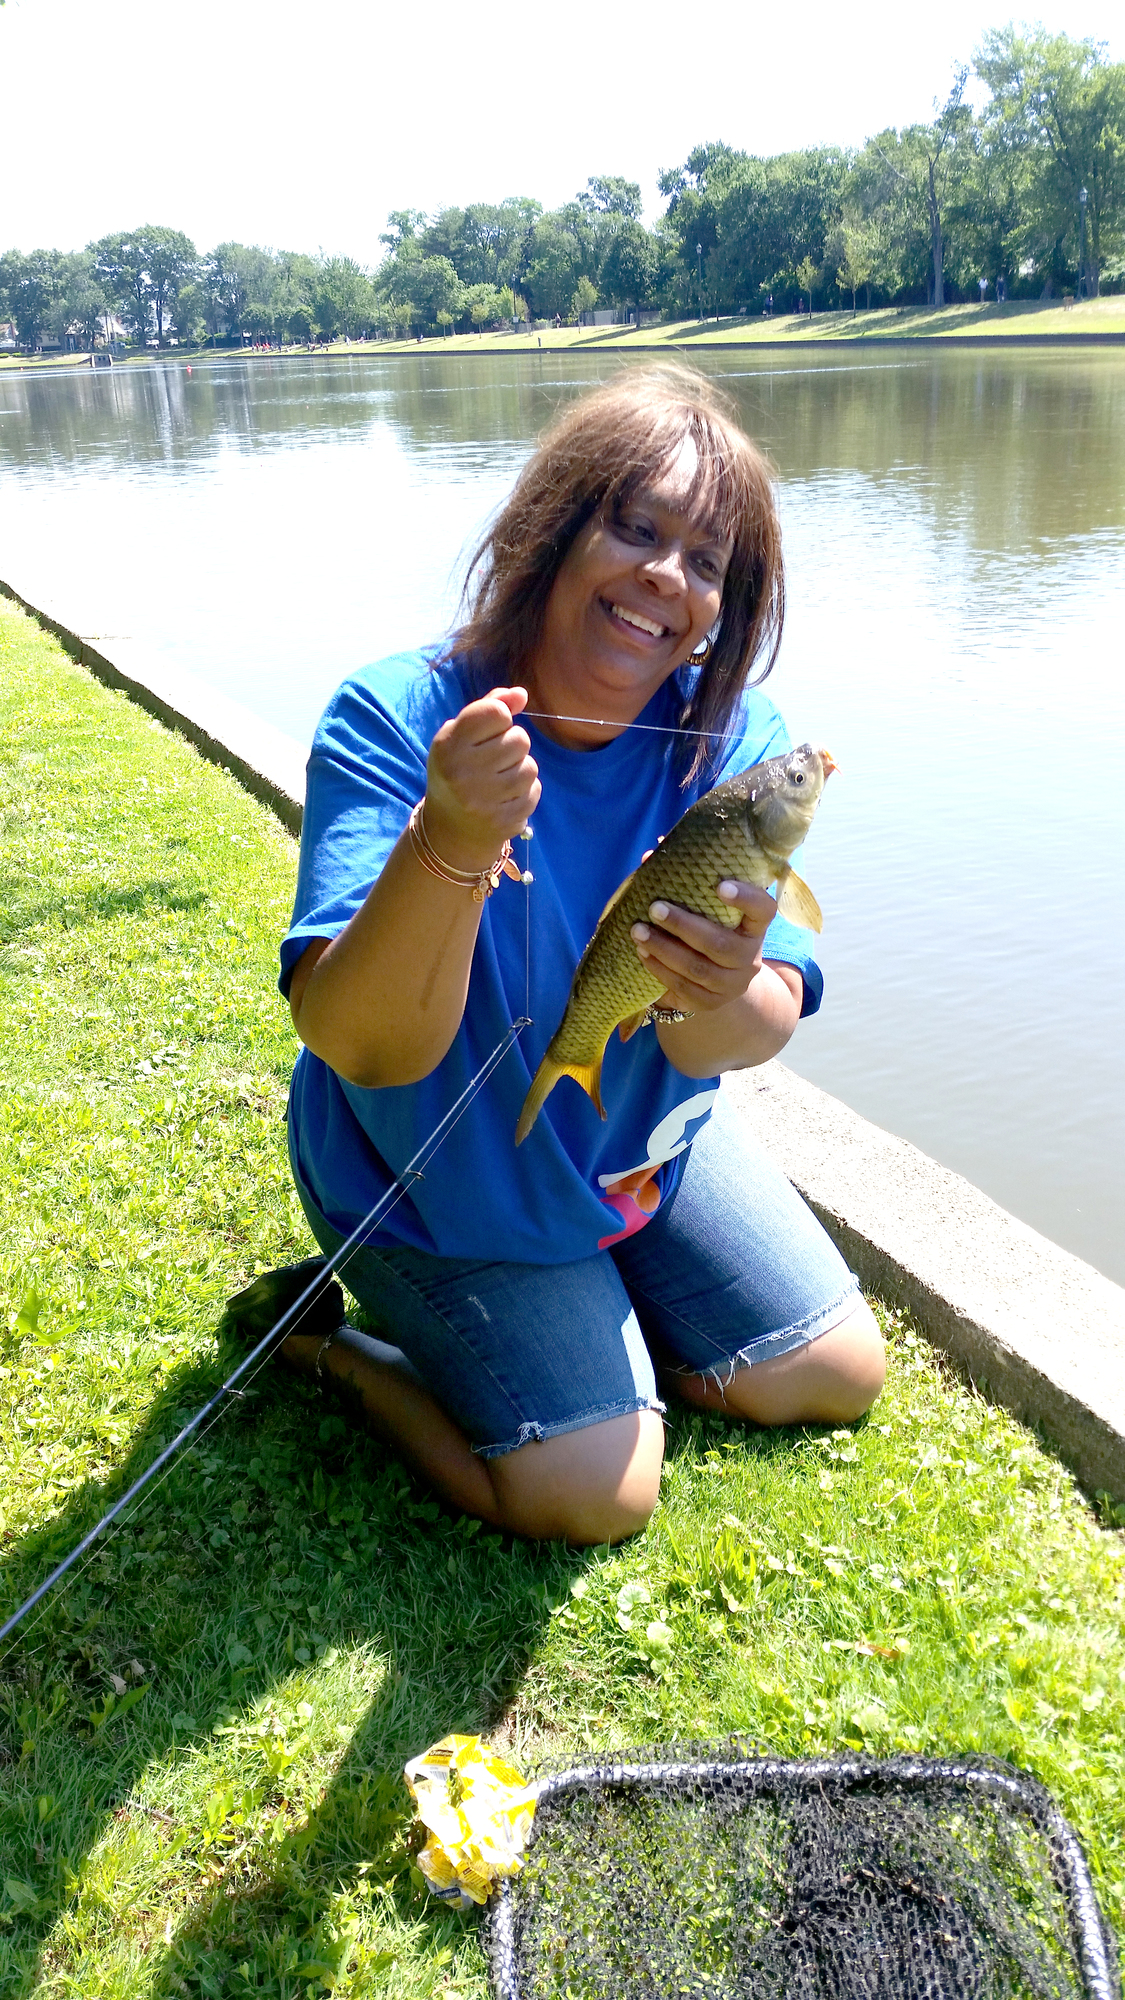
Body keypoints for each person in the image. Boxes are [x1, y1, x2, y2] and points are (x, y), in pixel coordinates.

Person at [277, 367, 885, 1546]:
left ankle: (608, 1313)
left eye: (706, 561)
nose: (668, 576)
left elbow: (752, 1031)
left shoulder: (734, 743)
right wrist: (448, 840)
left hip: (633, 1142)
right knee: (597, 1491)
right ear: (551, 528)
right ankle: (332, 1347)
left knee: (832, 1370)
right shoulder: (402, 716)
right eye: (636, 527)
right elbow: (361, 1043)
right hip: (434, 1177)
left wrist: (714, 988)